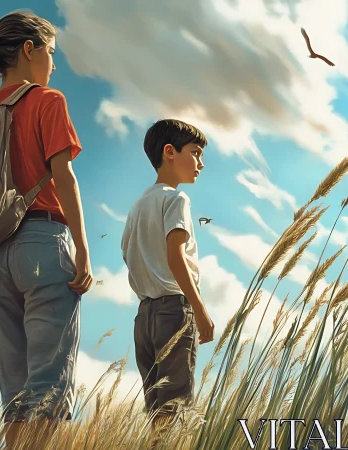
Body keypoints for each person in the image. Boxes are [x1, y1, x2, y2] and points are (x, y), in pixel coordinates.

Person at [0, 10, 92, 449]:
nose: (53, 62)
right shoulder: (48, 101)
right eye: (50, 51)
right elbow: (63, 177)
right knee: (48, 385)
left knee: (14, 390)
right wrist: (83, 249)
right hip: (41, 245)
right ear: (29, 50)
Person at [121, 119, 215, 445]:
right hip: (174, 310)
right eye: (196, 153)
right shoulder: (177, 200)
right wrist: (199, 309)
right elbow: (176, 257)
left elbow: (129, 256)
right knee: (174, 402)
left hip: (143, 316)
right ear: (169, 152)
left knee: (156, 404)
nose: (201, 163)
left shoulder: (136, 207)